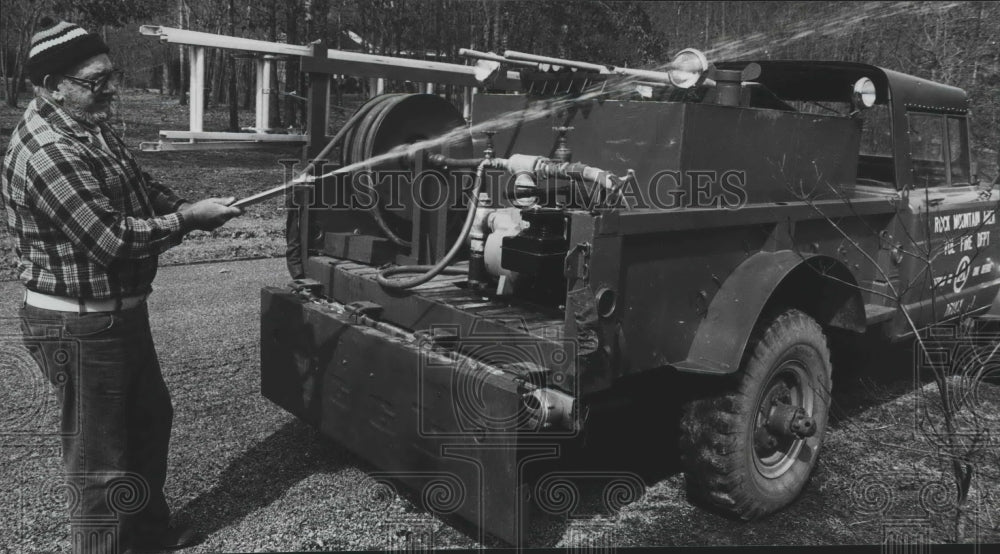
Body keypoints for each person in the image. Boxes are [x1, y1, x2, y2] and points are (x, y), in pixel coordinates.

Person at [1, 18, 242, 553]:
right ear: (52, 84)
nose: (110, 88)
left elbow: (138, 184)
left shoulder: (88, 122)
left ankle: (147, 537)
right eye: (95, 79)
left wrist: (177, 205)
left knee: (149, 426)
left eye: (111, 73)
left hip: (119, 313)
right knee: (99, 466)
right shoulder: (47, 150)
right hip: (78, 323)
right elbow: (111, 239)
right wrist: (191, 221)